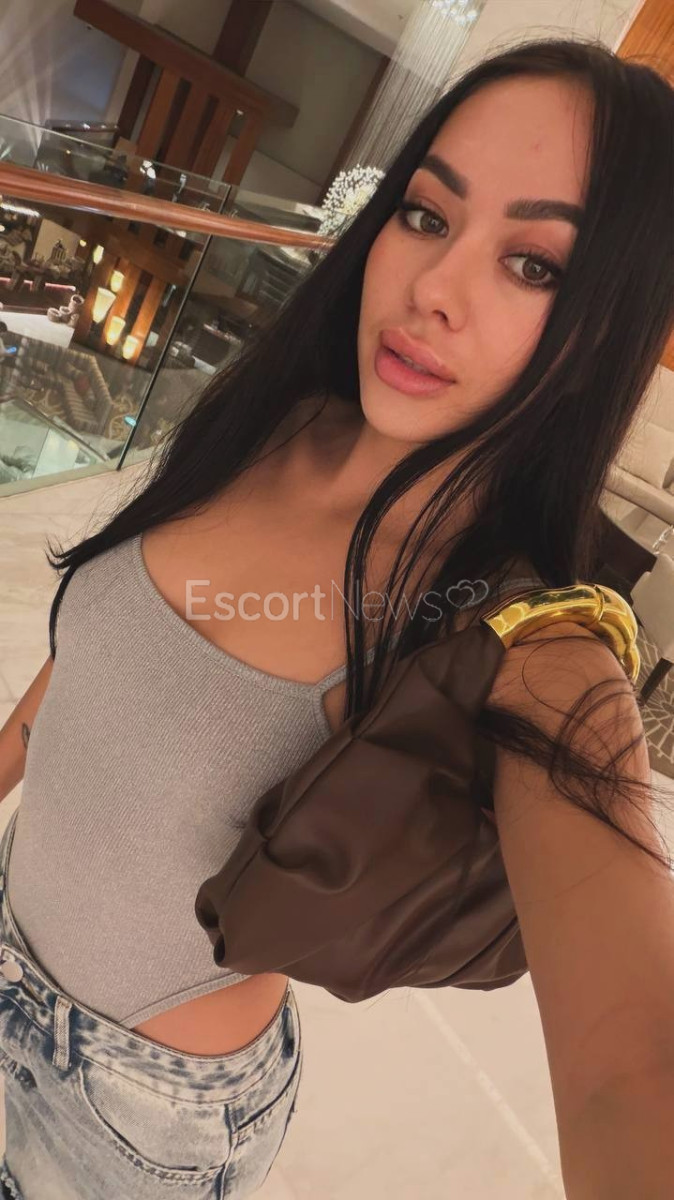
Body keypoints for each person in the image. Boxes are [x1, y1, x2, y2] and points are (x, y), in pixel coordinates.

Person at [0, 34, 673, 1200]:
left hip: (129, 1118)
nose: (432, 290)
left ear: (606, 324)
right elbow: (85, 678)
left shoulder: (522, 637)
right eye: (425, 214)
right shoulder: (271, 421)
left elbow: (632, 1075)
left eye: (532, 265)